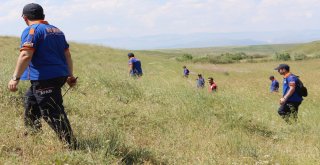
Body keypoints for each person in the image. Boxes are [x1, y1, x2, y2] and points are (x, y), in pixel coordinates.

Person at [7, 3, 77, 148]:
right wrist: (70, 76)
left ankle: (72, 146)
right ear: (43, 16)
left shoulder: (31, 30)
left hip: (45, 78)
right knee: (31, 104)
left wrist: (15, 78)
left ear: (25, 18)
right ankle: (34, 137)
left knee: (52, 112)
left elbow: (25, 55)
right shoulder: (57, 30)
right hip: (58, 76)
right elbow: (67, 55)